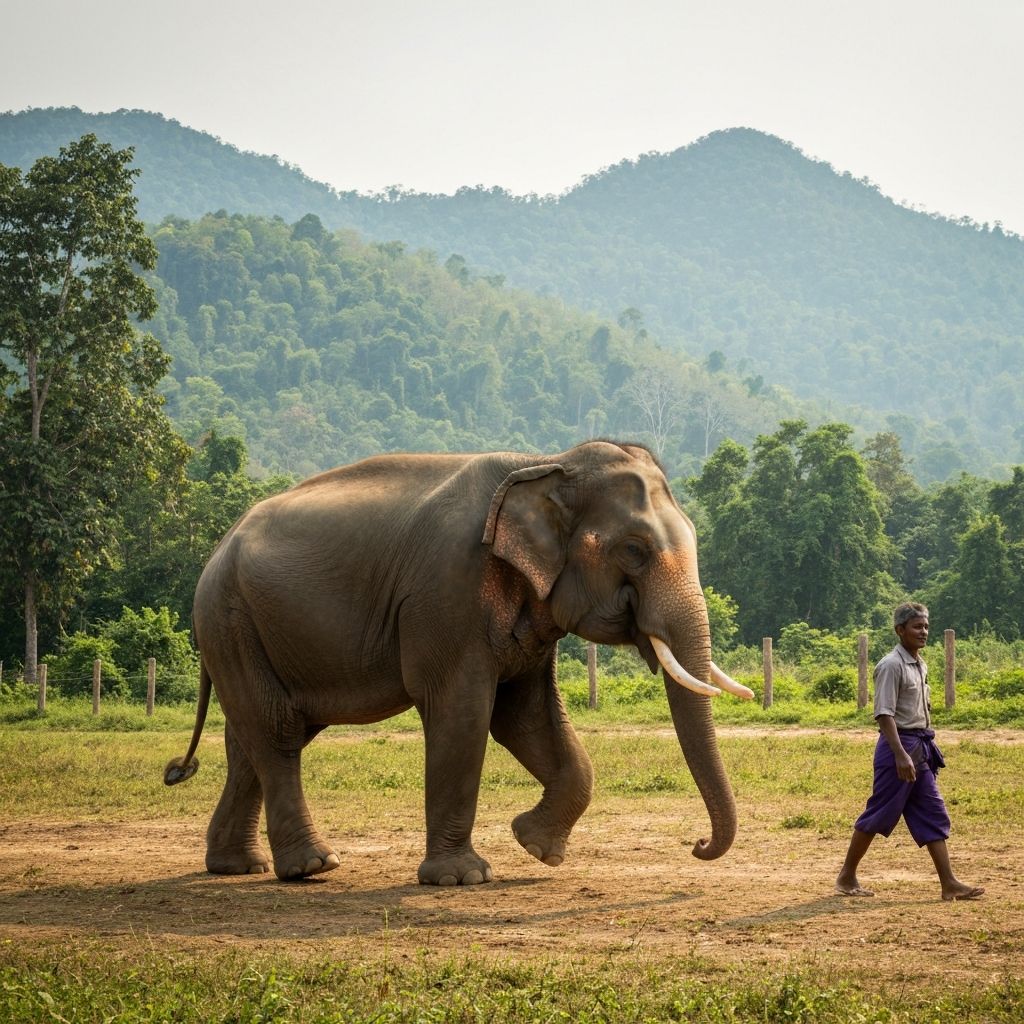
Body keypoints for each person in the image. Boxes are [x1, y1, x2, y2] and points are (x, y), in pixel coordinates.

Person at [835, 602, 984, 901]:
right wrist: (900, 754)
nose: (924, 632)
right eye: (917, 627)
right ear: (900, 630)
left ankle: (949, 883)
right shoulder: (891, 665)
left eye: (926, 626)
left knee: (932, 811)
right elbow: (884, 714)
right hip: (898, 750)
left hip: (920, 749)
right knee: (879, 813)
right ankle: (846, 876)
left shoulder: (920, 663)